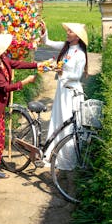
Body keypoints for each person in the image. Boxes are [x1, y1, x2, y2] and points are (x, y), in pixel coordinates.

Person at [0, 34, 41, 186]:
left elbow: (16, 64)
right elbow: (5, 87)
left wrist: (36, 65)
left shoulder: (2, 59)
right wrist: (24, 82)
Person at [41, 23, 89, 168]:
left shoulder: (80, 54)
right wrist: (44, 31)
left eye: (70, 31)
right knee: (58, 118)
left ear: (77, 36)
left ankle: (67, 157)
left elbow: (77, 75)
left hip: (72, 92)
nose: (67, 33)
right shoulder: (66, 47)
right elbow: (47, 42)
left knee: (69, 121)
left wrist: (62, 72)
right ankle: (53, 153)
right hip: (62, 89)